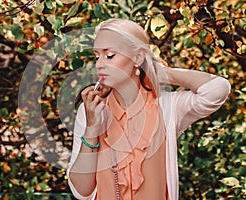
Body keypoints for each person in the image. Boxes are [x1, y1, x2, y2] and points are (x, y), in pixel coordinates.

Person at [67, 18, 231, 200]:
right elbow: (81, 191)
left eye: (110, 55)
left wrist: (160, 73)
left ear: (137, 57)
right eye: (97, 56)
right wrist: (92, 127)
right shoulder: (91, 110)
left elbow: (218, 89)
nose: (99, 64)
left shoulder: (167, 107)